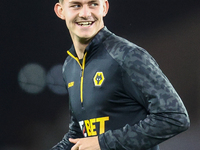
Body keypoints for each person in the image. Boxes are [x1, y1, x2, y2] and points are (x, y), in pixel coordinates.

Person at [51, 0, 190, 149]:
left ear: (104, 7)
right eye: (76, 5)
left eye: (93, 4)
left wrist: (103, 143)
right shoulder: (70, 66)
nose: (85, 13)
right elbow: (79, 133)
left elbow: (175, 117)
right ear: (61, 11)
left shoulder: (126, 55)